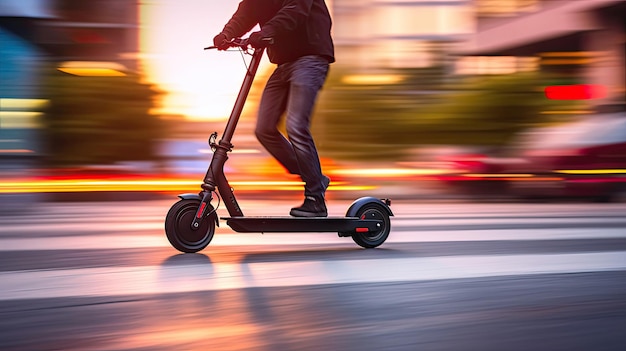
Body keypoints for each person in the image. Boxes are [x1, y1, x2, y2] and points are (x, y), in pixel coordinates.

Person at [213, 0, 334, 217]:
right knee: (264, 129)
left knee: (296, 125)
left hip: (311, 58)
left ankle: (315, 199)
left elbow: (295, 10)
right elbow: (246, 12)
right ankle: (314, 176)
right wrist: (226, 34)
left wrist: (265, 32)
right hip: (284, 64)